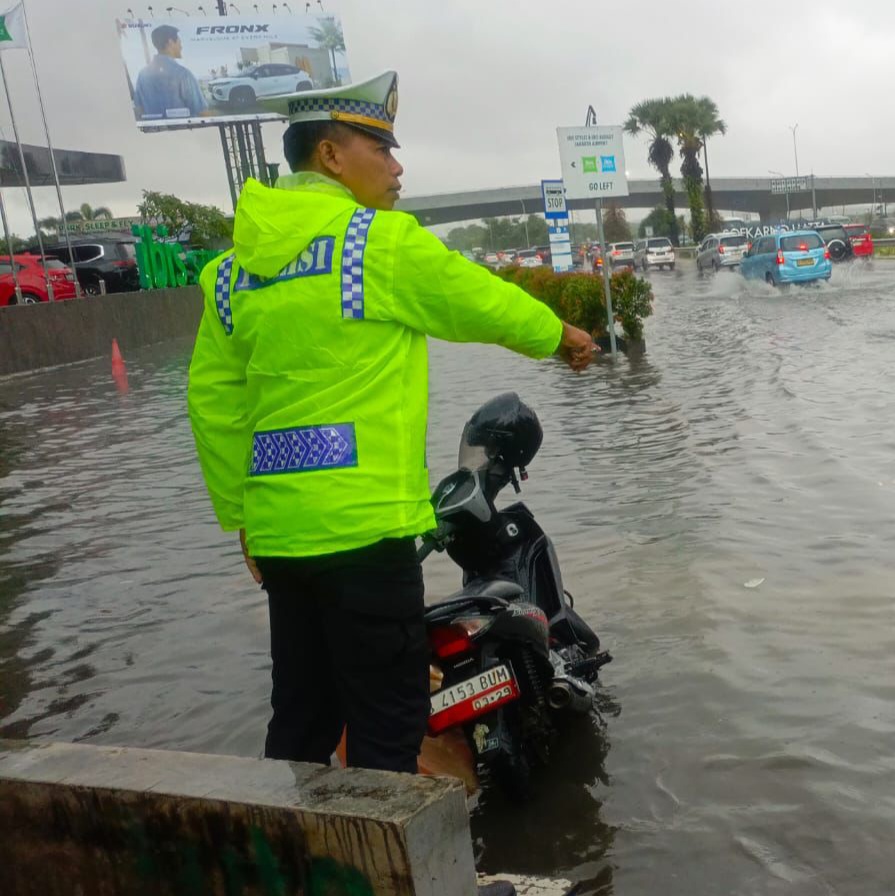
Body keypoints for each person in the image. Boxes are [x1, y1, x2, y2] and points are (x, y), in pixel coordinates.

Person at [187, 71, 599, 776]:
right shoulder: (374, 244)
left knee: (303, 716)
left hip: (282, 538)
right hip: (366, 532)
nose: (397, 164)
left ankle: (295, 865)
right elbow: (476, 300)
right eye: (380, 145)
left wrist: (243, 521)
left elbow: (215, 407)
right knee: (388, 724)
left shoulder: (230, 274)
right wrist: (559, 335)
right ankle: (387, 882)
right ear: (331, 155)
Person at [133, 25, 205, 120]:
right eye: (179, 42)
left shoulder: (142, 74)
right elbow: (201, 112)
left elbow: (139, 109)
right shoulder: (183, 74)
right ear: (170, 42)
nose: (181, 46)